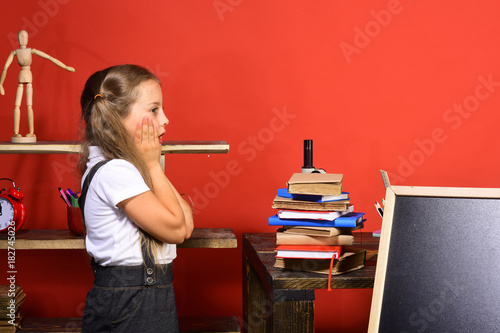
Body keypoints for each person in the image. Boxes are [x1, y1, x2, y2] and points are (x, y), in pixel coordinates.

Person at [78, 64, 194, 332]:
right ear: (117, 118)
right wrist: (153, 166)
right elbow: (176, 230)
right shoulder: (116, 171)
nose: (165, 119)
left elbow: (185, 225)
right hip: (133, 300)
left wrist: (150, 166)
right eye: (154, 109)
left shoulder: (127, 169)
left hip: (146, 294)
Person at [0, 30, 75, 143]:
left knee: (29, 105)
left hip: (28, 78)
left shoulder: (30, 51)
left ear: (26, 39)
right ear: (18, 39)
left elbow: (49, 58)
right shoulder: (14, 52)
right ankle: (16, 131)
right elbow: (5, 67)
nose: (22, 39)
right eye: (20, 37)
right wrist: (1, 83)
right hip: (21, 78)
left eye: (24, 37)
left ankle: (31, 131)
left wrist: (65, 67)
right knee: (17, 105)